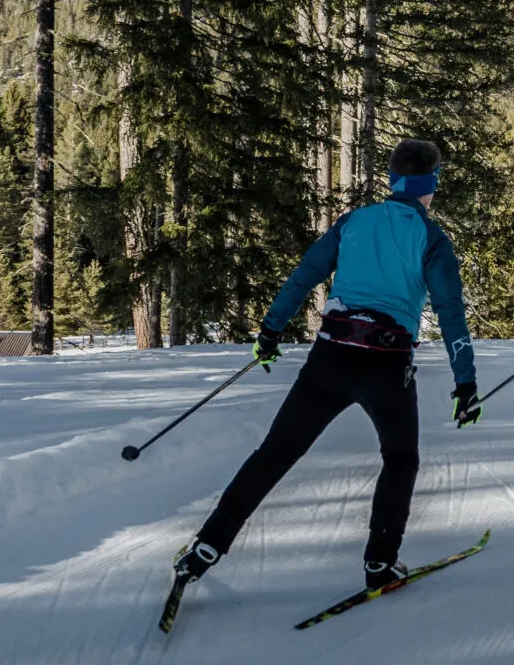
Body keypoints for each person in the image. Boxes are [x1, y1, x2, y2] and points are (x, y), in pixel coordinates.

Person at [171, 138, 481, 595]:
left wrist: (270, 332)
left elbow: (304, 276)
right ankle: (380, 564)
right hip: (387, 364)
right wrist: (466, 383)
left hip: (330, 357)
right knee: (400, 459)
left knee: (274, 454)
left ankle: (206, 548)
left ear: (393, 180)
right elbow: (451, 312)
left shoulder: (353, 221)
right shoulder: (432, 239)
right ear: (428, 186)